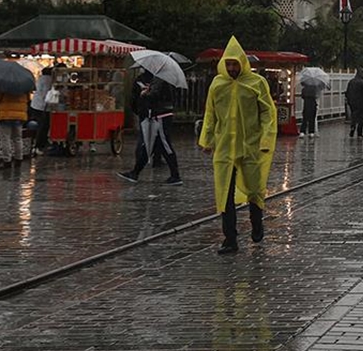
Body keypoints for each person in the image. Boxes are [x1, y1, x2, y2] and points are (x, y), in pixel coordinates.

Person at [198, 37, 278, 254]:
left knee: (254, 189)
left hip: (250, 146)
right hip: (224, 148)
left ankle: (256, 223)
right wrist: (207, 140)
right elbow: (210, 114)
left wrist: (265, 140)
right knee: (224, 192)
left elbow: (268, 113)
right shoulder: (218, 84)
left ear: (242, 63)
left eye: (235, 64)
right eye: (229, 64)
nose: (232, 68)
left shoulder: (256, 83)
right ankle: (230, 238)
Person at [119, 71, 182, 185]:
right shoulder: (166, 77)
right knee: (150, 145)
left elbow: (155, 95)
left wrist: (146, 93)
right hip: (159, 114)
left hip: (160, 114)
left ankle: (175, 175)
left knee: (164, 144)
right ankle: (135, 172)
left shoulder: (160, 78)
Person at [0, 88, 30, 169]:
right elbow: (28, 99)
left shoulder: (2, 86)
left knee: (5, 139)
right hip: (19, 116)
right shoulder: (24, 86)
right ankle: (18, 159)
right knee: (18, 139)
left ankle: (7, 161)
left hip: (4, 115)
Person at [29, 66, 53, 153]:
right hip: (43, 107)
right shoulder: (48, 80)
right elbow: (47, 95)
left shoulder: (40, 79)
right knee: (43, 126)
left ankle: (37, 143)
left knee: (40, 125)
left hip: (35, 105)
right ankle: (39, 145)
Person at [345, 69, 363, 138]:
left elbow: (347, 91)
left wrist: (349, 100)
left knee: (353, 115)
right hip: (361, 102)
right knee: (361, 117)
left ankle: (352, 126)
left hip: (352, 101)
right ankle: (359, 133)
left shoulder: (351, 81)